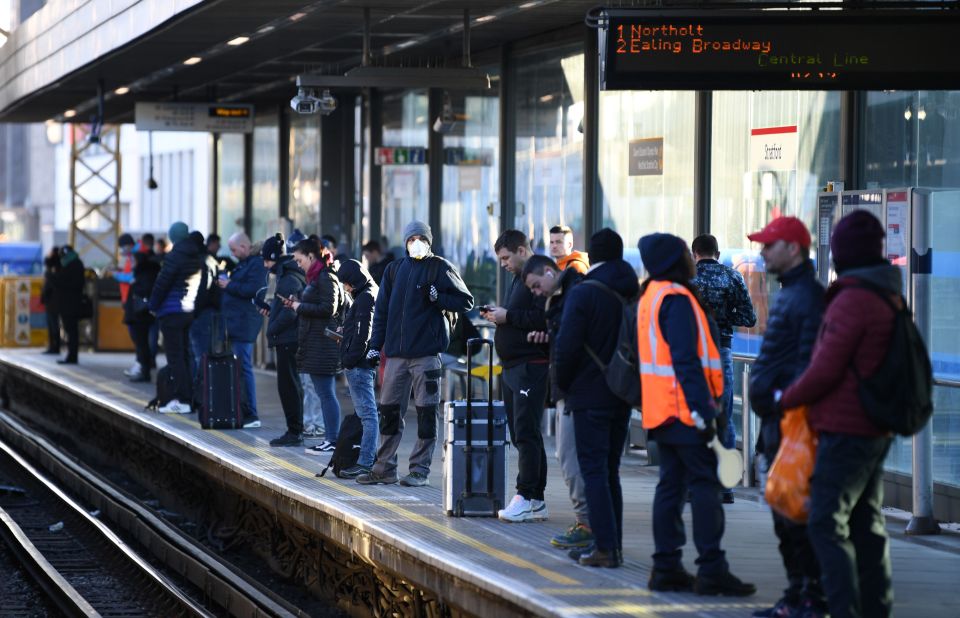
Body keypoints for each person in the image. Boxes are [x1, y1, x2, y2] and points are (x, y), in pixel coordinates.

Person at [780, 211, 896, 618]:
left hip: (847, 428)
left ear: (843, 253)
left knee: (826, 523)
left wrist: (786, 397)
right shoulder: (883, 293)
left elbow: (825, 367)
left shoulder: (854, 299)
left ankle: (845, 610)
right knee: (866, 526)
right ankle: (874, 609)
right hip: (871, 428)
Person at [636, 233, 756, 593]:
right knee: (705, 486)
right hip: (686, 411)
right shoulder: (677, 299)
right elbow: (686, 360)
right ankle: (711, 569)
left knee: (670, 487)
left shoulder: (650, 296)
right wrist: (705, 412)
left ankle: (666, 566)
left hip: (661, 411)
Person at [748, 216, 826, 618]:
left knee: (795, 515)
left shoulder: (807, 297)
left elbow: (810, 363)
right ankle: (798, 593)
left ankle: (810, 596)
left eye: (769, 245)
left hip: (791, 424)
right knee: (784, 516)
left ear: (793, 249)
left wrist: (780, 398)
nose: (762, 253)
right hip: (778, 422)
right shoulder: (794, 294)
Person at [357, 221, 474, 487]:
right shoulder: (394, 269)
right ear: (405, 241)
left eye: (421, 238)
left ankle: (419, 470)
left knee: (426, 413)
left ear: (429, 241)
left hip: (426, 355)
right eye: (412, 238)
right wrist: (375, 345)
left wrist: (439, 297)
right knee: (388, 412)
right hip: (396, 355)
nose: (416, 242)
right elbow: (382, 312)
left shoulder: (440, 267)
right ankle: (384, 468)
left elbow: (466, 301)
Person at [553, 228, 638, 568]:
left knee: (594, 472)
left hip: (588, 395)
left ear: (593, 254)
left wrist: (562, 384)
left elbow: (568, 345)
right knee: (611, 470)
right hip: (621, 392)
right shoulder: (633, 290)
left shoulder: (585, 292)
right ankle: (612, 543)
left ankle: (604, 548)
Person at [521, 255, 592, 549]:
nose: (536, 293)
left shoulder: (573, 295)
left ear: (550, 272)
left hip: (576, 391)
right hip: (574, 390)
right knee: (575, 458)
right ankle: (591, 523)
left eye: (537, 285)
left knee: (571, 456)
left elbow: (574, 344)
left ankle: (588, 523)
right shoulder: (563, 297)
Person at [483, 229, 550, 523]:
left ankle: (525, 494)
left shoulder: (541, 276)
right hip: (513, 367)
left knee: (526, 432)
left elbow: (542, 317)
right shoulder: (519, 277)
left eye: (506, 258)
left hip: (530, 366)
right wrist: (502, 314)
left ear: (523, 251)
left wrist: (507, 317)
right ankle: (535, 499)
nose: (503, 264)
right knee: (523, 433)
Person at [691, 233, 757, 504]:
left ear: (695, 253)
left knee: (692, 416)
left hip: (691, 353)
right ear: (717, 254)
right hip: (721, 350)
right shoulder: (733, 277)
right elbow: (749, 318)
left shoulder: (686, 279)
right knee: (723, 417)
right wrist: (724, 317)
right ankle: (725, 485)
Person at [283, 237, 345, 453]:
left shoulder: (326, 276)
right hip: (316, 343)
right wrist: (297, 302)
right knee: (324, 392)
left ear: (311, 256)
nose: (298, 265)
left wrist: (300, 306)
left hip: (323, 345)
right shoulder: (317, 277)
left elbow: (329, 308)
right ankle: (331, 438)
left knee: (326, 393)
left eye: (300, 260)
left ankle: (332, 439)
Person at [148, 221, 203, 413]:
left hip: (171, 311)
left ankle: (182, 400)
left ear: (173, 236)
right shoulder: (195, 255)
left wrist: (152, 305)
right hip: (187, 311)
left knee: (175, 357)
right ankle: (189, 399)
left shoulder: (175, 256)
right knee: (185, 355)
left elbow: (162, 283)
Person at [335, 259, 380, 478]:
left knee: (368, 416)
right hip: (361, 364)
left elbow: (364, 334)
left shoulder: (365, 298)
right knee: (367, 414)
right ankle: (367, 459)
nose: (345, 288)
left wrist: (349, 360)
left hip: (359, 366)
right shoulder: (369, 293)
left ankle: (365, 462)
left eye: (346, 283)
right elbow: (360, 329)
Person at [261, 234, 307, 447]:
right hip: (288, 337)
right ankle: (296, 429)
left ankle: (294, 431)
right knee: (291, 384)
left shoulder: (288, 279)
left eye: (266, 259)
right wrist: (272, 312)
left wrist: (272, 330)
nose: (265, 264)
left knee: (288, 385)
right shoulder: (286, 275)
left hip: (288, 339)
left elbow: (290, 313)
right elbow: (286, 308)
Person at [219, 232, 268, 428]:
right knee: (240, 367)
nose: (232, 254)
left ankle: (251, 414)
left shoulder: (255, 264)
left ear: (244, 246)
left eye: (233, 249)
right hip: (238, 323)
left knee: (244, 367)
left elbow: (252, 289)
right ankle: (242, 410)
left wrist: (229, 284)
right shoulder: (247, 263)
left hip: (244, 323)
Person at [124, 239, 161, 382]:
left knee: (142, 344)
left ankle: (144, 370)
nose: (131, 263)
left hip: (140, 314)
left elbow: (145, 290)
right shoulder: (145, 272)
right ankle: (142, 368)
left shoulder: (144, 274)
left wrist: (135, 284)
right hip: (140, 314)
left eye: (133, 260)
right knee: (142, 343)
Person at [189, 232, 222, 375]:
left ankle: (200, 391)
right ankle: (208, 389)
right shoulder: (212, 260)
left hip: (200, 313)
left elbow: (201, 290)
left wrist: (194, 311)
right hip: (212, 311)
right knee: (207, 352)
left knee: (199, 353)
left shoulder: (199, 261)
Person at [53, 245, 85, 365]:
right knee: (71, 330)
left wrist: (54, 278)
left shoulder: (73, 265)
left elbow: (65, 282)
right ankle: (71, 355)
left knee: (71, 331)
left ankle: (72, 356)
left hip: (70, 304)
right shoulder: (74, 264)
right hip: (70, 303)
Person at [41, 246, 60, 355]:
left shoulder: (54, 268)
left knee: (53, 324)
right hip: (51, 301)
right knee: (52, 324)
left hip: (53, 301)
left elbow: (51, 286)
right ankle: (53, 346)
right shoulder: (54, 268)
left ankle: (55, 347)